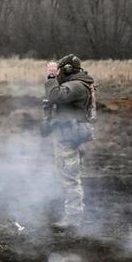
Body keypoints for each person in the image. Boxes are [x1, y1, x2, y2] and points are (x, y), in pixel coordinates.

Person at [44, 54, 96, 229]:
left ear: (66, 69)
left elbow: (55, 96)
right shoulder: (78, 84)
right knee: (66, 175)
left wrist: (51, 77)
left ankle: (73, 219)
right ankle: (72, 213)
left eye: (60, 70)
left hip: (68, 136)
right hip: (66, 134)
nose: (58, 73)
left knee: (70, 178)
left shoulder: (77, 86)